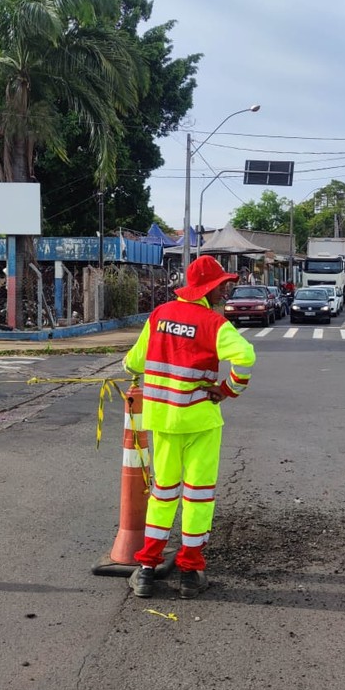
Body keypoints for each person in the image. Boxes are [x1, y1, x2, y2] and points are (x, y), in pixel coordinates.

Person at [124, 255, 257, 600]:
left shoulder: (159, 315)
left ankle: (147, 570)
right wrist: (229, 389)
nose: (226, 291)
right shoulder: (214, 323)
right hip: (200, 420)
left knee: (163, 493)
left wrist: (132, 364)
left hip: (163, 422)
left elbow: (134, 361)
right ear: (209, 288)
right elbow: (246, 357)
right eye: (222, 285)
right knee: (198, 495)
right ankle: (190, 571)